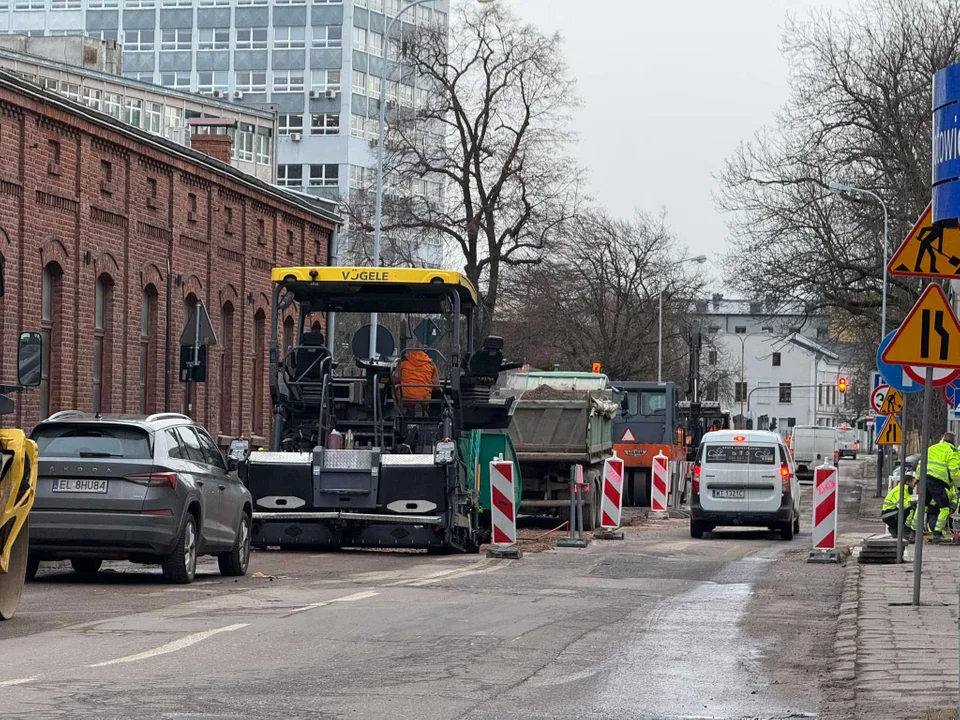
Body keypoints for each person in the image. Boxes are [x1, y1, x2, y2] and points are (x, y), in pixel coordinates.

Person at [922, 431, 960, 540]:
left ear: (943, 439)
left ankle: (913, 530)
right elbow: (954, 472)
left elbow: (921, 463)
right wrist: (958, 485)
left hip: (925, 479)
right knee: (945, 508)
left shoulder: (932, 448)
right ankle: (937, 533)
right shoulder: (952, 451)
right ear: (953, 441)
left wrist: (919, 479)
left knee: (922, 506)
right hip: (938, 482)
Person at [393, 349, 440, 413]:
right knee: (428, 395)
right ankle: (424, 410)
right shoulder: (431, 364)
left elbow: (395, 380)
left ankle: (399, 410)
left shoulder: (403, 362)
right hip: (424, 398)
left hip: (405, 397)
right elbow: (437, 386)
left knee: (394, 388)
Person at [881, 472, 916, 540]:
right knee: (910, 510)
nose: (914, 485)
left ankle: (896, 530)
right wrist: (913, 503)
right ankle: (904, 530)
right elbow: (903, 506)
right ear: (908, 482)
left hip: (891, 514)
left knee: (910, 509)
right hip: (889, 515)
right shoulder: (900, 490)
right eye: (913, 482)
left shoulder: (904, 490)